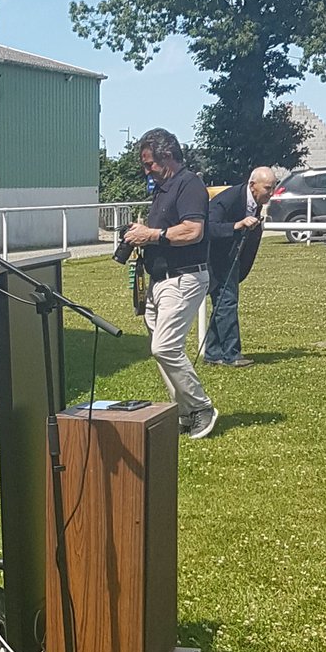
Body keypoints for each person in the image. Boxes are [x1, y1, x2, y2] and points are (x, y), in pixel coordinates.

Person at [123, 128, 217, 439]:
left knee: (165, 347)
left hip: (184, 277)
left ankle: (202, 407)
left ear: (167, 156)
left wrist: (151, 235)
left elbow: (193, 231)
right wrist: (142, 233)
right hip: (160, 280)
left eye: (149, 163)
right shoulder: (162, 188)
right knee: (160, 348)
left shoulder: (189, 184)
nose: (146, 169)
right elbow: (164, 230)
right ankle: (184, 411)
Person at [204, 167, 277, 367]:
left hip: (231, 257)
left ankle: (213, 352)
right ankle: (231, 355)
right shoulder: (227, 199)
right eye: (268, 188)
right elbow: (206, 227)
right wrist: (236, 225)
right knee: (227, 302)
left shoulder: (256, 199)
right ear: (252, 185)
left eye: (273, 188)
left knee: (222, 304)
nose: (271, 193)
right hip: (214, 257)